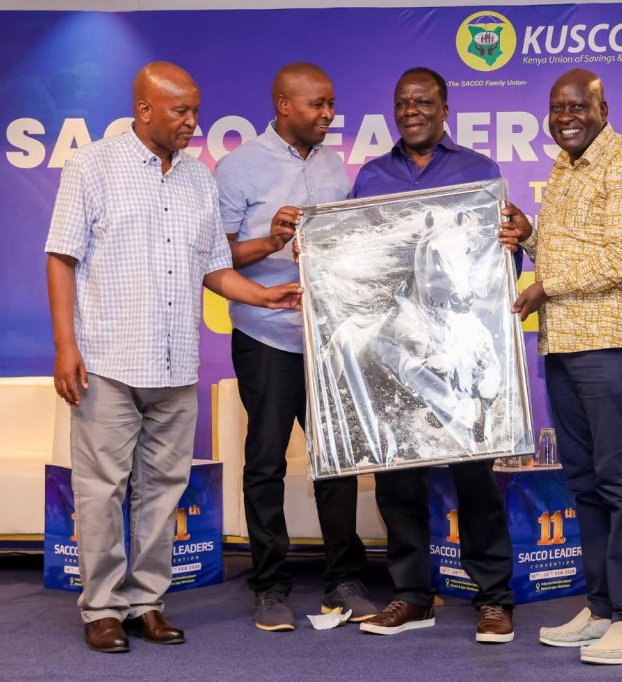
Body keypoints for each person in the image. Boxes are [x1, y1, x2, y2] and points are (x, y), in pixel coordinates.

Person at [45, 62, 302, 654]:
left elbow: (214, 268)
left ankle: (147, 604)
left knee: (163, 491)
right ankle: (103, 609)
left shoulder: (198, 179)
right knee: (102, 491)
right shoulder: (92, 166)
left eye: (195, 111)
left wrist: (263, 295)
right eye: (181, 111)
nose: (193, 122)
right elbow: (61, 257)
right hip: (108, 361)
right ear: (144, 110)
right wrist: (65, 346)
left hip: (175, 365)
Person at [499, 69, 622, 665]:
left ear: (602, 109)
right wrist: (530, 237)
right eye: (557, 108)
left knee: (619, 480)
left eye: (577, 106)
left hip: (613, 343)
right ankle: (601, 609)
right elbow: (571, 253)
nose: (565, 117)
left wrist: (545, 286)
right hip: (563, 344)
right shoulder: (564, 168)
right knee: (586, 482)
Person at [351, 66, 516, 644]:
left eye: (422, 101)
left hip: (460, 338)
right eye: (402, 103)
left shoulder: (480, 172)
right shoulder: (371, 175)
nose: (411, 111)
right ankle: (412, 595)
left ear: (445, 108)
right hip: (400, 336)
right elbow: (358, 261)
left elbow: (496, 262)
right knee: (397, 478)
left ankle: (493, 597)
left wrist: (514, 240)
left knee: (475, 478)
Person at [213, 63, 375, 632]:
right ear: (284, 105)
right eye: (317, 105)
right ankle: (269, 586)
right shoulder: (238, 167)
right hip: (267, 336)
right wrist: (272, 240)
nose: (328, 114)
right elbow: (216, 256)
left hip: (327, 339)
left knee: (337, 462)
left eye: (331, 104)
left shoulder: (334, 165)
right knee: (265, 463)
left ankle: (344, 581)